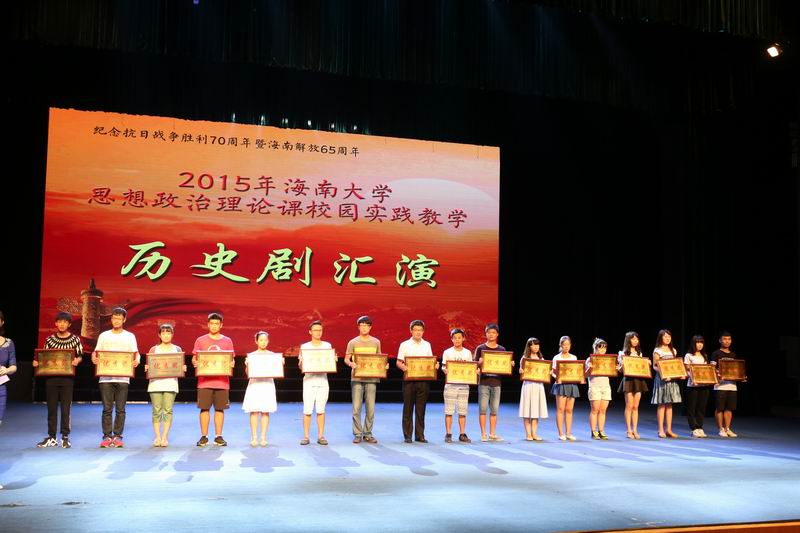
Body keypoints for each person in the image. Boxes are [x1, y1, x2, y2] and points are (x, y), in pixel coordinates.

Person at [91, 307, 140, 448]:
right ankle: (107, 436)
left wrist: (137, 360)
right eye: (114, 318)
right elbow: (96, 352)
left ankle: (118, 436)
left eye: (119, 318)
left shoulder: (130, 336)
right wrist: (94, 358)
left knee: (120, 409)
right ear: (111, 319)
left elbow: (136, 353)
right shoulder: (104, 335)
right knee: (107, 409)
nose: (116, 320)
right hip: (105, 378)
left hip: (123, 378)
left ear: (124, 320)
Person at [34, 312, 83, 449]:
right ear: (56, 323)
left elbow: (80, 356)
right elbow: (44, 357)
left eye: (65, 322)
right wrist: (37, 363)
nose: (62, 324)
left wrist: (77, 361)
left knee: (66, 408)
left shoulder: (75, 339)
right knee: (51, 408)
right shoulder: (49, 340)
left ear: (69, 324)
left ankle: (65, 437)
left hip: (68, 379)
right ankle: (52, 437)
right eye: (59, 321)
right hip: (51, 378)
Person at [192, 312, 235, 447]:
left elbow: (231, 359)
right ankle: (204, 436)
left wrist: (232, 363)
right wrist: (195, 362)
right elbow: (194, 358)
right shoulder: (200, 340)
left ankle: (218, 436)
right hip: (204, 381)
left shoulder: (227, 341)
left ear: (221, 325)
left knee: (220, 409)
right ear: (208, 324)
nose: (214, 326)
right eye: (212, 323)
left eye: (217, 323)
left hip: (222, 382)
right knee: (204, 409)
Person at [344, 316, 385, 444]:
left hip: (372, 378)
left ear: (370, 327)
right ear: (358, 327)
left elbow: (379, 359)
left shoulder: (376, 342)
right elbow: (346, 359)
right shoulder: (352, 342)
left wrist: (384, 366)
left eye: (366, 325)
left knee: (370, 408)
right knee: (356, 408)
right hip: (356, 377)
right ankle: (357, 434)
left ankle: (367, 433)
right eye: (362, 325)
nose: (364, 327)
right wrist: (351, 364)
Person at [396, 320, 437, 443]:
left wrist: (435, 366)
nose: (418, 332)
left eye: (420, 330)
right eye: (416, 330)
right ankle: (407, 435)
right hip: (409, 380)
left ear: (423, 331)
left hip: (423, 381)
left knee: (421, 409)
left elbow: (430, 361)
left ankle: (420, 435)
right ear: (411, 331)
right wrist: (404, 368)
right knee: (408, 408)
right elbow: (398, 362)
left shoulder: (427, 345)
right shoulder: (404, 344)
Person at [144, 323, 185, 447]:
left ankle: (165, 437)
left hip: (170, 384)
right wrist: (147, 368)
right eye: (163, 333)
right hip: (155, 384)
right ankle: (157, 437)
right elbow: (149, 366)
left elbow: (180, 366)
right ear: (159, 335)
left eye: (168, 332)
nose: (166, 335)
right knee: (156, 411)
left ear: (172, 334)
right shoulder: (154, 349)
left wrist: (183, 368)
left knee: (168, 410)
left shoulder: (177, 349)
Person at [475, 323, 512, 442]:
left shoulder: (502, 349)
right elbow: (474, 366)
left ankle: (492, 433)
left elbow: (504, 366)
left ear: (497, 334)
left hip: (496, 383)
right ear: (485, 334)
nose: (491, 334)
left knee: (494, 410)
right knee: (483, 409)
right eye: (489, 332)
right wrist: (479, 363)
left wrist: (509, 365)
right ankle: (483, 434)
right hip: (483, 383)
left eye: (493, 332)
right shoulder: (480, 348)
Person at [242, 331, 281, 446]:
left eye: (265, 340)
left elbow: (276, 372)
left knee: (265, 411)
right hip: (255, 385)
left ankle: (263, 437)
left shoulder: (272, 356)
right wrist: (247, 365)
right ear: (256, 341)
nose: (263, 342)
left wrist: (280, 365)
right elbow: (247, 373)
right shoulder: (252, 356)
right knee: (254, 411)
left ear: (268, 341)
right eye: (261, 340)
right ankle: (254, 437)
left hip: (267, 385)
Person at [299, 320, 331, 445]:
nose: (318, 332)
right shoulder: (305, 347)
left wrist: (332, 361)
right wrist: (301, 363)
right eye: (315, 330)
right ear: (310, 332)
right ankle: (306, 437)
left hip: (322, 381)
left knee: (321, 410)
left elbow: (329, 363)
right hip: (309, 381)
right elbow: (301, 366)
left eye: (320, 330)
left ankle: (321, 436)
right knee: (307, 410)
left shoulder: (327, 346)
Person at [441, 328, 474, 443]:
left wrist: (475, 372)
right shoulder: (447, 352)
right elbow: (444, 366)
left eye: (459, 337)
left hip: (464, 385)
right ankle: (448, 434)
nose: (457, 340)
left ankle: (462, 434)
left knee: (462, 411)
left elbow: (470, 368)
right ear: (452, 339)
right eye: (455, 338)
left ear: (463, 338)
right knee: (449, 410)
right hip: (450, 385)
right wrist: (444, 370)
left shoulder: (467, 353)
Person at [617, 331, 649, 440]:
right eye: (633, 339)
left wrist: (646, 364)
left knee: (636, 407)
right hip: (628, 380)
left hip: (638, 380)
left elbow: (642, 368)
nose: (635, 341)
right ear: (628, 340)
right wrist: (621, 366)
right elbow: (621, 370)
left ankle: (635, 429)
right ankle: (629, 430)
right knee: (629, 406)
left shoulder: (639, 353)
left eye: (637, 339)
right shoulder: (622, 353)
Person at [651, 329, 683, 438]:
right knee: (662, 404)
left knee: (669, 405)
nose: (667, 338)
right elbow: (655, 366)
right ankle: (660, 430)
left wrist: (680, 374)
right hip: (662, 380)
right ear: (661, 338)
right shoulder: (657, 350)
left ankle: (668, 429)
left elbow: (675, 366)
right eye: (665, 336)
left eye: (669, 336)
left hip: (672, 380)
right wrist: (664, 374)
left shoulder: (673, 350)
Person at [711, 331, 740, 438]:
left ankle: (727, 428)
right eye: (724, 339)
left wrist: (740, 376)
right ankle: (720, 429)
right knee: (720, 408)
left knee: (729, 408)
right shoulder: (716, 353)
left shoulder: (733, 354)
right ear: (720, 340)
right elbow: (712, 368)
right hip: (720, 385)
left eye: (729, 339)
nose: (727, 341)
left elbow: (736, 369)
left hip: (732, 385)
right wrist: (718, 375)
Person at [518, 337, 548, 441]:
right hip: (528, 385)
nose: (536, 347)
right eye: (533, 345)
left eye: (537, 345)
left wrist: (547, 372)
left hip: (538, 386)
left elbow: (544, 372)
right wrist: (521, 371)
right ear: (529, 347)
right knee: (527, 409)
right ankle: (528, 434)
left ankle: (534, 434)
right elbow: (521, 371)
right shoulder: (524, 358)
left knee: (535, 410)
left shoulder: (541, 358)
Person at [551, 335, 579, 441]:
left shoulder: (574, 357)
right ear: (561, 345)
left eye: (568, 344)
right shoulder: (556, 358)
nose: (566, 347)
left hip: (571, 384)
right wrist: (557, 378)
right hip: (561, 385)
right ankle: (561, 433)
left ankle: (568, 433)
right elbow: (553, 372)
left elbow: (576, 371)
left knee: (569, 410)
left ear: (570, 345)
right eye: (564, 345)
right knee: (560, 409)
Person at [684, 335, 710, 438]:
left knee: (701, 408)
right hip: (692, 385)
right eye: (698, 342)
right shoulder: (689, 355)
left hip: (704, 385)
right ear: (693, 344)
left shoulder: (704, 355)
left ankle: (700, 427)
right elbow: (687, 369)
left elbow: (706, 371)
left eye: (701, 342)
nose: (700, 344)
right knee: (692, 408)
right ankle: (693, 428)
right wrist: (693, 379)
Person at [585, 337, 611, 440]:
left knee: (603, 410)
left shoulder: (608, 360)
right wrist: (589, 368)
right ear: (595, 348)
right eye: (600, 347)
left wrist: (615, 368)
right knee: (595, 409)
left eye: (604, 347)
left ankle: (601, 430)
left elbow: (612, 372)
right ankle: (593, 431)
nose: (603, 349)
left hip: (606, 386)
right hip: (595, 386)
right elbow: (585, 375)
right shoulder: (590, 359)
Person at [0, 310, 18, 430]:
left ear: (2, 322)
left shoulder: (9, 343)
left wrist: (6, 370)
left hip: (0, 387)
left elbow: (13, 366)